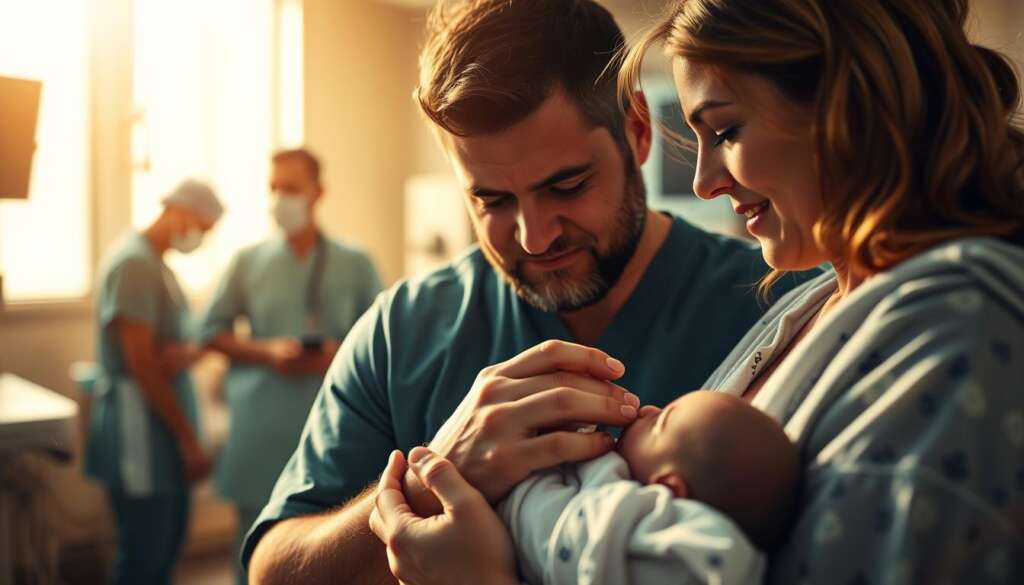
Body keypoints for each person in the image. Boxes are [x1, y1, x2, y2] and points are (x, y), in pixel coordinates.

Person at [370, 0, 1024, 583]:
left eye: (727, 130)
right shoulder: (814, 305)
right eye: (491, 197)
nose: (705, 182)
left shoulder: (958, 332)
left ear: (847, 109)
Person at [243, 1, 815, 583]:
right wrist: (435, 478)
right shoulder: (405, 331)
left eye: (566, 186)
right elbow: (273, 570)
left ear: (637, 131)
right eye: (491, 201)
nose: (534, 236)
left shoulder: (786, 311)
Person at [198, 147, 382, 585]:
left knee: (332, 549)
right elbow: (210, 331)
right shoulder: (248, 261)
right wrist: (268, 352)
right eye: (273, 188)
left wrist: (339, 351)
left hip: (335, 425)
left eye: (291, 188)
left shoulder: (354, 263)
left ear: (318, 192)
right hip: (261, 426)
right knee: (254, 551)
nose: (280, 198)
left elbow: (383, 336)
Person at [496, 391, 799, 585]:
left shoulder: (617, 515)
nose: (648, 410)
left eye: (659, 423)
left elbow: (537, 520)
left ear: (667, 488)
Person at [85, 179, 223, 585]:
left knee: (162, 550)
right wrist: (188, 440)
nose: (201, 238)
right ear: (178, 211)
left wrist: (181, 354)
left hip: (157, 431)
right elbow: (142, 366)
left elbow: (157, 350)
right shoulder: (134, 264)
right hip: (140, 432)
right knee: (144, 556)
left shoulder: (154, 262)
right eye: (203, 227)